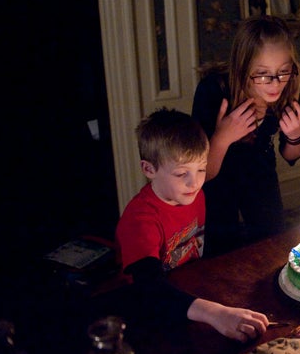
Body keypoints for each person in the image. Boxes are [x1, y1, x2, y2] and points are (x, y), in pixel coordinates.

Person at [115, 108, 269, 341]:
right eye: (181, 174)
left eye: (201, 169)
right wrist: (215, 312)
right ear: (149, 169)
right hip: (147, 305)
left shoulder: (194, 195)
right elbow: (149, 288)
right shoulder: (140, 220)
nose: (195, 182)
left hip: (186, 288)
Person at [192, 15, 300, 257]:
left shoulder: (293, 86)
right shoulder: (214, 91)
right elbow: (201, 175)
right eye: (262, 74)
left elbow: (292, 155)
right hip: (217, 186)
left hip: (262, 178)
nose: (275, 83)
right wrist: (223, 138)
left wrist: (295, 136)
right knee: (221, 255)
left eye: (283, 71)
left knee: (271, 248)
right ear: (242, 67)